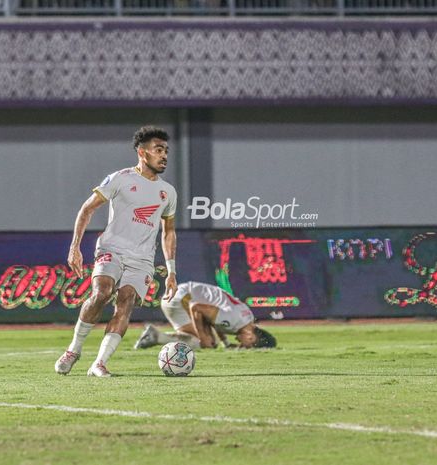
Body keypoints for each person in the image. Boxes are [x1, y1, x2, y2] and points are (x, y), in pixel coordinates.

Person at [55, 126, 178, 377]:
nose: (164, 155)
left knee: (126, 302)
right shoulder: (120, 178)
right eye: (158, 150)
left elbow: (168, 232)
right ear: (142, 153)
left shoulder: (168, 192)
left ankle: (99, 363)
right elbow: (87, 209)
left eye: (166, 150)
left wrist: (171, 271)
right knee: (102, 292)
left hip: (142, 259)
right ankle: (73, 350)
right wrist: (74, 247)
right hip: (112, 248)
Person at [134, 281, 277, 350]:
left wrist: (225, 343)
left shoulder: (247, 318)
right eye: (249, 345)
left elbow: (218, 321)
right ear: (251, 337)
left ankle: (155, 336)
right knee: (200, 342)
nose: (244, 346)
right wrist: (203, 337)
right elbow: (195, 307)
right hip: (181, 299)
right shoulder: (235, 319)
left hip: (179, 295)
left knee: (209, 342)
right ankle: (156, 336)